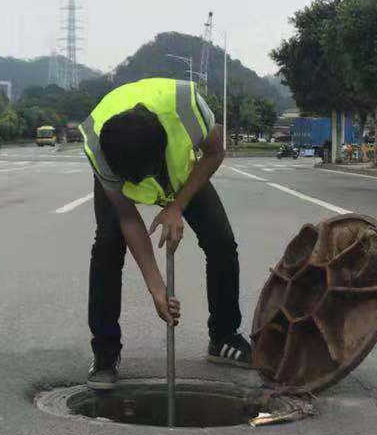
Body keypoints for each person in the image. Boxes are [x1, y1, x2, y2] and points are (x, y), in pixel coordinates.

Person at [78, 77, 252, 389]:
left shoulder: (188, 107)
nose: (142, 185)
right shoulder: (98, 144)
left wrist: (176, 205)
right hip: (122, 171)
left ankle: (224, 336)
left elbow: (214, 153)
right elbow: (127, 217)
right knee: (106, 244)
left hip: (183, 176)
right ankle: (105, 352)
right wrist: (157, 287)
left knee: (221, 241)